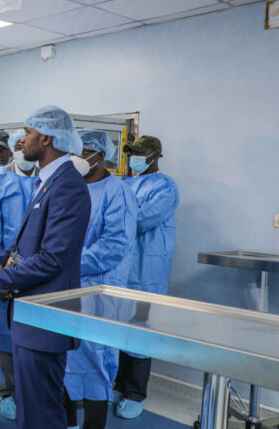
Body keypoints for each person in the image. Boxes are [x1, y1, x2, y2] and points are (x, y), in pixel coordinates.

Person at [0, 105, 90, 429]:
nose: (23, 141)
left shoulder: (67, 185)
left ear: (46, 138)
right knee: (30, 410)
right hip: (29, 315)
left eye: (28, 133)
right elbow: (24, 244)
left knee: (42, 413)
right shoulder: (46, 182)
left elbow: (52, 258)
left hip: (45, 319)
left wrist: (2, 279)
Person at [63, 130, 137, 429]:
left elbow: (115, 246)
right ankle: (67, 422)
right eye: (75, 153)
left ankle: (93, 424)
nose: (77, 159)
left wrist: (66, 263)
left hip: (99, 291)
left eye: (83, 154)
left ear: (100, 156)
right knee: (65, 358)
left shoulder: (117, 192)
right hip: (67, 288)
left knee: (97, 361)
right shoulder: (71, 189)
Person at [113, 135, 179, 419]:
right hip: (122, 269)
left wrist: (116, 218)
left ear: (156, 155)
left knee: (140, 331)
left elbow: (139, 220)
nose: (134, 158)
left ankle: (135, 392)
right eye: (132, 153)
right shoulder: (124, 184)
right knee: (117, 328)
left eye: (141, 153)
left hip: (148, 271)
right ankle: (118, 383)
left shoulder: (165, 186)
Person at [0, 139, 36, 421]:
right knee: (4, 333)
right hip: (4, 267)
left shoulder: (48, 178)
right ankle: (7, 391)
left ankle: (34, 394)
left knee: (36, 334)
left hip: (38, 271)